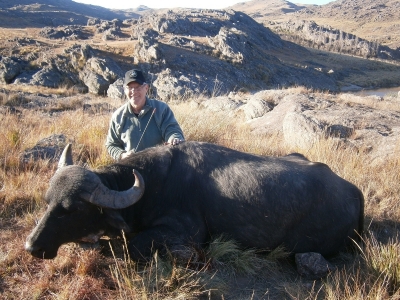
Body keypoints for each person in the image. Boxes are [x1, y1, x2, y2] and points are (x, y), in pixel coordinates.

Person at [106, 69, 185, 160]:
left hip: (160, 166)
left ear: (146, 88)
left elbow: (172, 130)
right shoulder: (118, 116)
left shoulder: (161, 109)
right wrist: (122, 155)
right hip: (131, 169)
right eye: (129, 87)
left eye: (138, 87)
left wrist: (174, 138)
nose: (134, 91)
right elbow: (111, 144)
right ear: (124, 90)